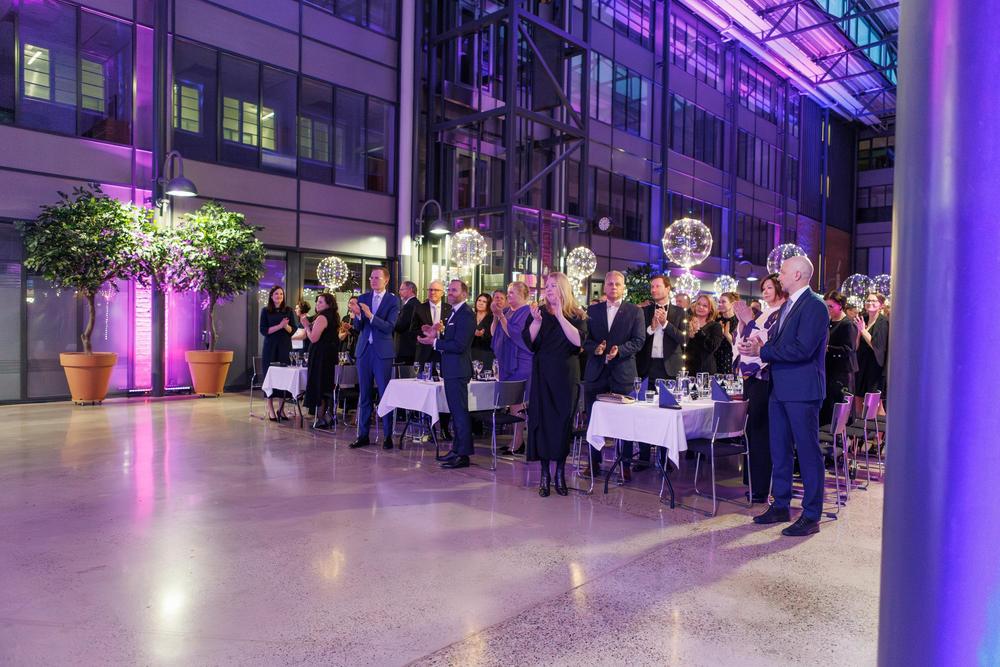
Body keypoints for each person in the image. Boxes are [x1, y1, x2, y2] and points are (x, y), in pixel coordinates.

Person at [740, 255, 829, 537]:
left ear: (798, 275)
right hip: (779, 387)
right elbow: (780, 343)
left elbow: (803, 349)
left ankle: (811, 515)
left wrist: (763, 352)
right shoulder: (788, 305)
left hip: (802, 390)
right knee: (779, 449)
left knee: (807, 452)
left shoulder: (815, 306)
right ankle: (780, 505)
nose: (779, 276)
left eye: (783, 271)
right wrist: (758, 344)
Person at [524, 272, 587, 497]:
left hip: (566, 376)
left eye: (553, 286)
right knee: (542, 423)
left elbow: (578, 342)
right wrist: (537, 322)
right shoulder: (538, 312)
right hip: (542, 374)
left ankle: (560, 472)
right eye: (547, 286)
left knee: (562, 425)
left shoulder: (577, 314)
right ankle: (544, 475)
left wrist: (560, 316)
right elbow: (529, 342)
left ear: (563, 288)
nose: (548, 290)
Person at [581, 271, 646, 479]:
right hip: (596, 372)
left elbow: (639, 340)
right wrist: (595, 348)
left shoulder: (635, 311)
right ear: (605, 286)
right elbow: (585, 339)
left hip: (623, 372)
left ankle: (625, 464)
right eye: (610, 284)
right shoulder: (593, 310)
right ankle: (593, 462)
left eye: (618, 284)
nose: (614, 287)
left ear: (623, 287)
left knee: (625, 421)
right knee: (593, 419)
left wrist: (620, 350)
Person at [733, 273, 786, 503]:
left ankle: (761, 488)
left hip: (765, 379)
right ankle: (754, 484)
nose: (765, 291)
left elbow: (766, 342)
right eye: (763, 288)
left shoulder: (781, 313)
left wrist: (749, 321)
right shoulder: (765, 312)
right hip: (751, 378)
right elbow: (743, 341)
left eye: (770, 287)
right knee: (753, 431)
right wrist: (743, 323)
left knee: (761, 432)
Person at [418, 279, 476, 469]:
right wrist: (435, 335)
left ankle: (463, 455)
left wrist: (434, 343)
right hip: (451, 369)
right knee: (455, 413)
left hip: (458, 370)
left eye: (454, 290)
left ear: (464, 294)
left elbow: (459, 345)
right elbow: (451, 339)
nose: (450, 293)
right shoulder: (453, 312)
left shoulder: (466, 314)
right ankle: (456, 450)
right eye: (449, 289)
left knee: (460, 413)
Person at [634, 274, 685, 470]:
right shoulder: (644, 311)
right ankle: (644, 458)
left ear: (667, 288)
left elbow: (683, 339)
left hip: (668, 369)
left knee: (665, 415)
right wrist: (651, 328)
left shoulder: (680, 312)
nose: (653, 290)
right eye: (652, 287)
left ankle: (664, 459)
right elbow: (638, 338)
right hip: (647, 366)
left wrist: (665, 325)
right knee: (645, 413)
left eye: (657, 286)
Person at [348, 267, 400, 450]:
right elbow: (358, 327)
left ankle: (387, 436)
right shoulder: (363, 298)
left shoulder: (393, 300)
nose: (373, 280)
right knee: (364, 394)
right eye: (371, 278)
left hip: (382, 352)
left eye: (377, 277)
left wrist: (370, 315)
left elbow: (389, 327)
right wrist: (357, 315)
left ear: (386, 280)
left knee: (385, 394)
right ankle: (362, 435)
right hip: (364, 351)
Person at [491, 281, 533, 455]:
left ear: (523, 295)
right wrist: (496, 316)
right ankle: (516, 439)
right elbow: (495, 333)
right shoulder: (508, 311)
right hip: (506, 360)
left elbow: (515, 335)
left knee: (518, 401)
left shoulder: (527, 312)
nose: (508, 296)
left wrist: (501, 317)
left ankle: (518, 441)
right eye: (508, 293)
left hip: (521, 361)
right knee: (512, 402)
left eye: (511, 293)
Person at [411, 281, 453, 438]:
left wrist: (443, 331)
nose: (432, 292)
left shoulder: (449, 309)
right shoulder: (419, 308)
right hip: (425, 354)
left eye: (436, 290)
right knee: (427, 392)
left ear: (442, 292)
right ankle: (430, 429)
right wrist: (423, 331)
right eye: (430, 290)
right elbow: (412, 330)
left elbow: (454, 332)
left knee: (444, 392)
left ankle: (445, 428)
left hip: (443, 354)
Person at [300, 293, 340, 428]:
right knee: (326, 385)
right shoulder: (333, 316)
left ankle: (322, 417)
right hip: (329, 355)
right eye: (317, 301)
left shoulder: (322, 317)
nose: (317, 304)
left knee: (319, 385)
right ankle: (327, 415)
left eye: (321, 302)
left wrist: (306, 326)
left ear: (329, 304)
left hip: (321, 356)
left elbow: (313, 338)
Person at [822, 290, 858, 427]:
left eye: (830, 306)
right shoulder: (829, 322)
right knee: (828, 407)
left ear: (840, 306)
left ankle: (839, 434)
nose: (828, 309)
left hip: (842, 372)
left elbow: (849, 349)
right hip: (829, 369)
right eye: (826, 306)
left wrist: (828, 348)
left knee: (839, 406)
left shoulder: (847, 324)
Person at [259, 286, 294, 421]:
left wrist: (285, 326)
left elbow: (292, 330)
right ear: (271, 296)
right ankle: (270, 409)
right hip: (270, 348)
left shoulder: (288, 310)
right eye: (276, 294)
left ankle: (281, 409)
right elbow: (264, 331)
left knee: (284, 378)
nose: (279, 296)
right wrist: (280, 326)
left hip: (285, 347)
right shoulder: (265, 311)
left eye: (281, 294)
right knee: (270, 378)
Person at [854, 292, 889, 414]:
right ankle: (859, 426)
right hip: (861, 365)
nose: (870, 303)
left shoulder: (883, 322)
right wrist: (859, 333)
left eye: (874, 301)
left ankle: (880, 427)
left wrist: (863, 330)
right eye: (868, 300)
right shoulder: (862, 319)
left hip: (875, 368)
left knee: (875, 404)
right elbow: (856, 346)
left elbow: (877, 346)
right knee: (858, 399)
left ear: (881, 305)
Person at [685, 294, 725, 374]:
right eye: (698, 304)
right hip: (687, 369)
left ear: (710, 309)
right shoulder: (687, 323)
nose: (700, 307)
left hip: (705, 370)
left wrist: (698, 331)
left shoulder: (715, 326)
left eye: (705, 306)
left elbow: (712, 347)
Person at [394, 280, 419, 364]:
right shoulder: (417, 303)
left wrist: (391, 320)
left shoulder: (409, 306)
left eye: (402, 289)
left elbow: (400, 326)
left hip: (406, 350)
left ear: (410, 290)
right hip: (412, 349)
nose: (399, 292)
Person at [715, 292, 741, 374]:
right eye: (719, 302)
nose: (720, 304)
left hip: (731, 361)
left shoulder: (739, 322)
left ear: (732, 304)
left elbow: (738, 346)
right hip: (716, 360)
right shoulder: (716, 321)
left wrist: (726, 334)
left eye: (723, 302)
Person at [471, 293, 494, 366]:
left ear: (489, 304)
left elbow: (492, 336)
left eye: (484, 302)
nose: (481, 303)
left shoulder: (492, 318)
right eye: (479, 300)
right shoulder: (470, 316)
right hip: (470, 353)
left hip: (486, 353)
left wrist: (482, 335)